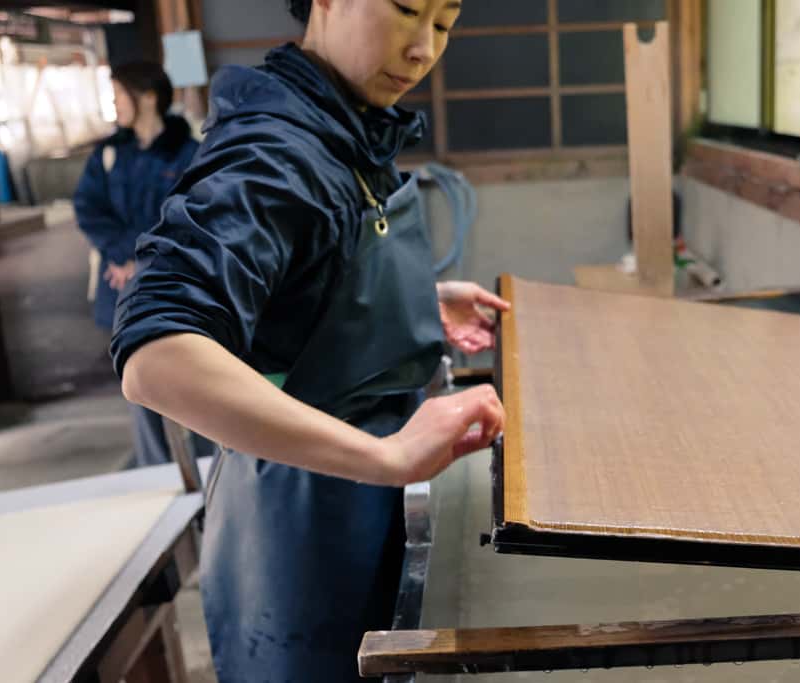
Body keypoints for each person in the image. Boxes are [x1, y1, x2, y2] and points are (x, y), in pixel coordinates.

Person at [109, 1, 506, 680]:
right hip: (302, 531)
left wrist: (408, 298)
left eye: (443, 22)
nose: (423, 50)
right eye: (407, 9)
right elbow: (157, 353)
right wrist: (390, 454)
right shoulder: (274, 149)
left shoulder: (338, 123)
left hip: (360, 508)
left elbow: (309, 273)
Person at [73, 61, 205, 468]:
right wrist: (123, 255)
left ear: (147, 96)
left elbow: (196, 212)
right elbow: (88, 208)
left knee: (191, 385)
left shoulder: (190, 151)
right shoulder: (110, 154)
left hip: (177, 285)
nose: (115, 105)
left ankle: (204, 470)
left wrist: (141, 259)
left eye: (118, 95)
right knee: (140, 386)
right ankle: (158, 474)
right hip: (123, 287)